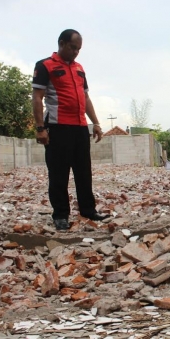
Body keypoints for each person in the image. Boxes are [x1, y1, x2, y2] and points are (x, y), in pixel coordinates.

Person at [32, 29, 109, 230]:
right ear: (61, 43)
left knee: (84, 172)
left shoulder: (79, 68)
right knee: (59, 173)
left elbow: (86, 98)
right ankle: (60, 214)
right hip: (58, 128)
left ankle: (88, 210)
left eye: (78, 49)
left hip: (80, 127)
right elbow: (37, 97)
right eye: (73, 47)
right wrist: (40, 128)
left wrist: (96, 123)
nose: (76, 52)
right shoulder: (45, 65)